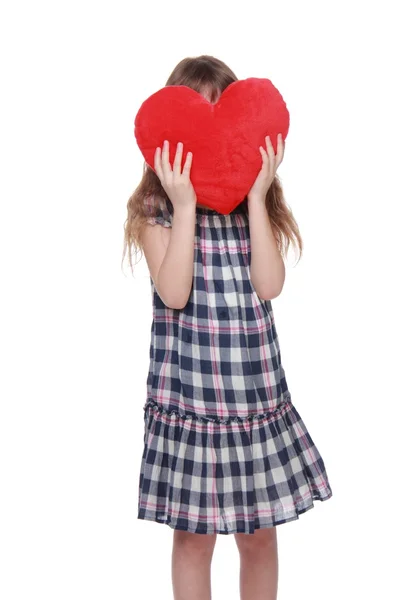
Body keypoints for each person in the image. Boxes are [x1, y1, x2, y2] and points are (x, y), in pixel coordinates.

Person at [122, 55, 333, 600]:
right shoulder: (156, 212)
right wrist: (187, 205)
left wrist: (258, 198)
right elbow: (175, 291)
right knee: (194, 541)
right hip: (190, 400)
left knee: (258, 535)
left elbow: (270, 284)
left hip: (252, 399)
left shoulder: (250, 209)